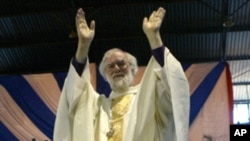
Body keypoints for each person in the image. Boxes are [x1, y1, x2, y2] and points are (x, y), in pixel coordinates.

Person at [53, 7, 190, 141]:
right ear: (105, 74)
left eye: (121, 63)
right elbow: (74, 93)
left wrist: (154, 38)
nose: (117, 68)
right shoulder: (98, 106)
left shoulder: (148, 99)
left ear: (132, 68)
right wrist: (83, 46)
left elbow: (172, 84)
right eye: (111, 66)